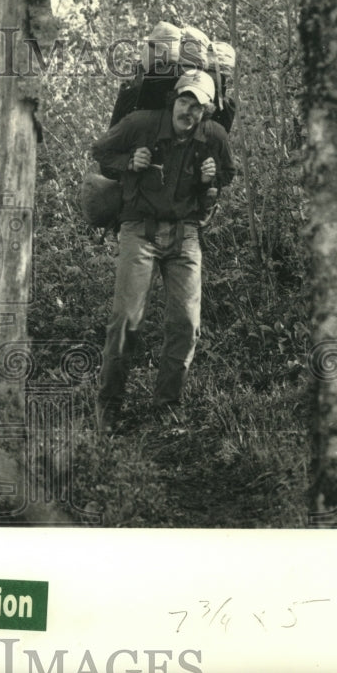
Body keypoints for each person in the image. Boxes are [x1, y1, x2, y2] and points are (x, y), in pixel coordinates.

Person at [92, 69, 236, 432]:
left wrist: (211, 176)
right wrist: (129, 162)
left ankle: (167, 407)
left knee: (186, 324)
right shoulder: (140, 123)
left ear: (206, 111)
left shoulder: (214, 136)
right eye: (184, 101)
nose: (188, 111)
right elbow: (100, 151)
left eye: (198, 106)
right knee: (126, 319)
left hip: (185, 234)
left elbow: (228, 173)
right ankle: (108, 408)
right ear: (174, 99)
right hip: (139, 230)